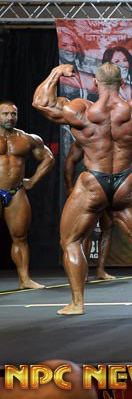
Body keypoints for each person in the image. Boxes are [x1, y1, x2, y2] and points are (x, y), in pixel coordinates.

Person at [32, 62, 132, 315]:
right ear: (122, 83)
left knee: (71, 241)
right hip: (126, 180)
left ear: (95, 83)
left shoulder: (81, 110)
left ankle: (77, 303)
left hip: (93, 181)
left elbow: (41, 102)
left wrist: (56, 72)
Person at [0, 101, 54, 289]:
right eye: (5, 114)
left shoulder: (26, 139)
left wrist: (32, 181)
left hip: (16, 193)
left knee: (20, 237)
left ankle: (24, 280)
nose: (10, 117)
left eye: (13, 114)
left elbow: (48, 158)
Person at [64, 140, 120, 281]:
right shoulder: (87, 137)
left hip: (113, 185)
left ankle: (100, 270)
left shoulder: (119, 138)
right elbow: (70, 160)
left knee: (108, 227)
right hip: (93, 185)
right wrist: (69, 186)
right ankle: (84, 272)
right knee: (85, 230)